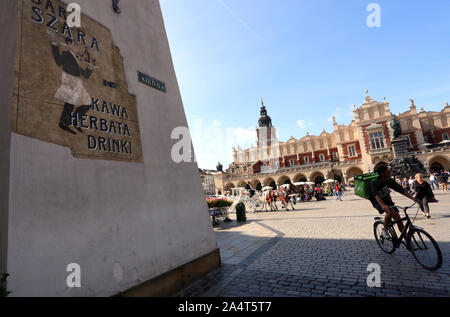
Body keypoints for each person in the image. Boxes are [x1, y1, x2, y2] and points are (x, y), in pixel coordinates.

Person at [370, 166, 417, 239]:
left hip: (387, 199)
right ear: (382, 174)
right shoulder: (374, 182)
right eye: (388, 171)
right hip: (377, 201)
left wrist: (414, 199)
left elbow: (401, 190)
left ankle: (407, 239)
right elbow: (376, 195)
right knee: (389, 211)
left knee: (398, 219)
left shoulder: (389, 180)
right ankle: (385, 230)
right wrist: (383, 206)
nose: (390, 172)